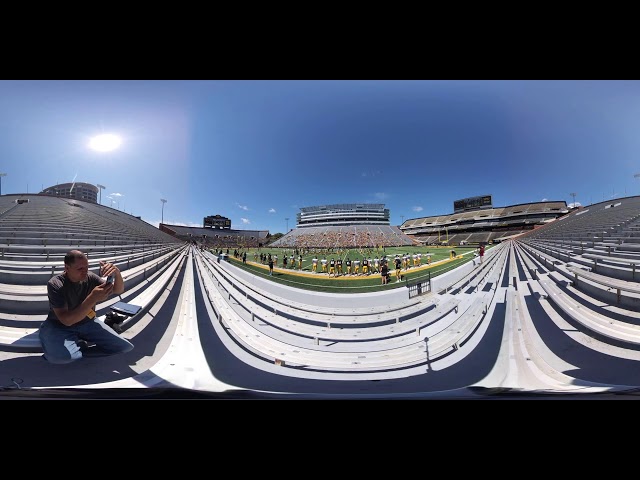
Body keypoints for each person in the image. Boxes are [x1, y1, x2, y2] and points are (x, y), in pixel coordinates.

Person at [38, 250, 134, 364]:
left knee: (124, 347)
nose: (85, 272)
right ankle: (57, 342)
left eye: (86, 267)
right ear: (67, 268)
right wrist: (93, 298)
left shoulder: (91, 277)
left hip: (87, 322)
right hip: (59, 326)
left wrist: (117, 273)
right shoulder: (56, 284)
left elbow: (118, 290)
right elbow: (66, 321)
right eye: (80, 269)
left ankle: (78, 349)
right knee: (59, 358)